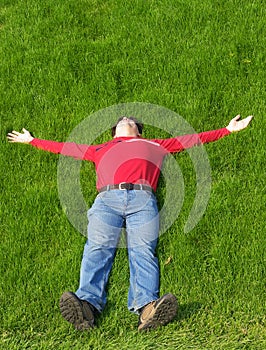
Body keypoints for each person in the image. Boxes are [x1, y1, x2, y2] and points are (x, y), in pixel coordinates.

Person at [7, 114, 253, 331]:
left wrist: (227, 130)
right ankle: (86, 306)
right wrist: (32, 141)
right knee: (97, 247)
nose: (126, 119)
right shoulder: (100, 148)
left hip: (143, 199)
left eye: (131, 121)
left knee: (143, 251)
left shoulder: (154, 144)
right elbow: (67, 148)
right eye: (121, 121)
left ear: (138, 130)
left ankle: (147, 309)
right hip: (107, 199)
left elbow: (190, 140)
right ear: (114, 132)